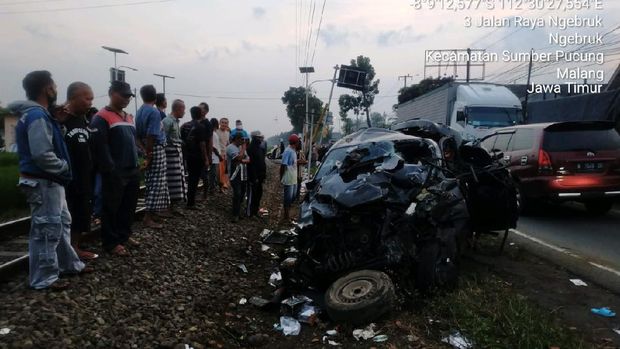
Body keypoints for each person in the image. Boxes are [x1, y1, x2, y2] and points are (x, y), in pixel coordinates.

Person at [10, 70, 87, 290]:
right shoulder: (36, 116)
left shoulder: (43, 115)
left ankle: (68, 265)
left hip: (50, 181)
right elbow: (42, 154)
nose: (56, 89)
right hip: (43, 180)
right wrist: (64, 168)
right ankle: (44, 278)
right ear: (47, 88)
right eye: (53, 85)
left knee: (60, 223)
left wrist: (59, 123)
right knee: (46, 229)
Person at [90, 81, 140, 257]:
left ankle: (123, 236)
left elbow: (133, 142)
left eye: (129, 96)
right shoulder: (101, 117)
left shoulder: (128, 117)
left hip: (132, 169)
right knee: (111, 207)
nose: (126, 99)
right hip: (115, 171)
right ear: (112, 93)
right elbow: (100, 147)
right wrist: (110, 169)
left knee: (128, 207)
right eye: (123, 95)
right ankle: (111, 242)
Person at [61, 82, 98, 260]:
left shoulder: (84, 120)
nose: (90, 102)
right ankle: (66, 250)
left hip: (84, 177)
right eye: (87, 98)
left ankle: (74, 246)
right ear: (73, 97)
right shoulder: (61, 119)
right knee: (68, 213)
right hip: (67, 178)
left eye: (91, 98)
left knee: (81, 213)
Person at [136, 85, 171, 228]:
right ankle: (148, 217)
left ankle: (153, 214)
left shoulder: (140, 111)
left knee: (151, 182)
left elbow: (138, 135)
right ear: (155, 97)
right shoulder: (154, 112)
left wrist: (144, 150)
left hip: (147, 148)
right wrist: (149, 154)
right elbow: (152, 134)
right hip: (155, 148)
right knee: (156, 184)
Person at [180, 106, 210, 209]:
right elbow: (202, 144)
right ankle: (190, 203)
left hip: (187, 156)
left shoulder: (184, 125)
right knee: (194, 180)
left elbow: (182, 141)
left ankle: (189, 200)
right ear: (200, 114)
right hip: (197, 157)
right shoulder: (201, 127)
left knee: (190, 178)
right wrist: (206, 158)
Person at [162, 99, 187, 210]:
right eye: (183, 109)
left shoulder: (175, 122)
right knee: (171, 180)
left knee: (176, 180)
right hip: (170, 155)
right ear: (178, 109)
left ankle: (173, 204)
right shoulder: (167, 121)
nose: (184, 112)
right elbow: (164, 139)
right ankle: (169, 204)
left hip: (176, 154)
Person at [280, 134, 306, 222]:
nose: (300, 144)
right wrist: (281, 177)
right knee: (288, 198)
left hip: (293, 177)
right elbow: (283, 165)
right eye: (299, 142)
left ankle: (288, 215)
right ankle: (286, 217)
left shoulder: (293, 151)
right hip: (288, 178)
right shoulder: (288, 151)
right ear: (296, 142)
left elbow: (292, 163)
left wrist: (299, 161)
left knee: (293, 197)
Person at [227, 133, 249, 222]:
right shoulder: (230, 148)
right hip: (234, 175)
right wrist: (243, 149)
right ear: (237, 139)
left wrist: (242, 158)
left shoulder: (240, 147)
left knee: (242, 194)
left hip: (243, 174)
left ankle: (237, 211)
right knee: (237, 193)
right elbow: (238, 158)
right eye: (242, 140)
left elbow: (248, 159)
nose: (243, 141)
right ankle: (235, 214)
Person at [247, 130, 266, 218]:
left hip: (260, 176)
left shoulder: (260, 148)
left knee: (259, 194)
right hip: (254, 176)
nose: (261, 139)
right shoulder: (250, 148)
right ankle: (250, 212)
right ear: (255, 138)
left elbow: (262, 162)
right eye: (260, 137)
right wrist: (254, 178)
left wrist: (264, 175)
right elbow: (251, 165)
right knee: (252, 195)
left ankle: (255, 211)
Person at [198, 102, 213, 200]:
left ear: (206, 111)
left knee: (204, 174)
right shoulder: (196, 121)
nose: (199, 110)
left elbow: (210, 140)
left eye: (201, 108)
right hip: (196, 152)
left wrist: (209, 155)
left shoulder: (207, 124)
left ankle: (205, 195)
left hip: (205, 153)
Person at [209, 118, 224, 193]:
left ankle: (213, 187)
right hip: (214, 156)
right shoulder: (212, 133)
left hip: (215, 156)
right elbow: (213, 147)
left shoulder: (213, 133)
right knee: (213, 173)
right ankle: (212, 188)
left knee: (214, 173)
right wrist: (219, 155)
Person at [216, 117, 231, 190]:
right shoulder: (216, 132)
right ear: (219, 123)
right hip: (218, 154)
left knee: (226, 170)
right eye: (223, 122)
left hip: (226, 154)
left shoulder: (228, 133)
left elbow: (227, 143)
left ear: (228, 124)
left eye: (226, 123)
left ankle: (224, 184)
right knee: (220, 170)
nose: (224, 124)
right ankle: (221, 184)